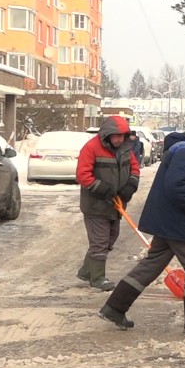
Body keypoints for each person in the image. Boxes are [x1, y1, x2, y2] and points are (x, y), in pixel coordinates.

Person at [99, 114, 185, 333]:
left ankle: (115, 306)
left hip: (166, 219)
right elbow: (177, 187)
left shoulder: (183, 148)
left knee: (152, 264)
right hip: (177, 221)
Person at [75, 116, 141, 291]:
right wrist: (102, 189)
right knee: (100, 242)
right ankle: (97, 278)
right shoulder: (91, 148)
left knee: (111, 239)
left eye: (122, 135)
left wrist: (131, 185)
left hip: (116, 204)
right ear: (107, 135)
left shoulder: (126, 149)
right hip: (96, 205)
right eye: (116, 136)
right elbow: (83, 175)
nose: (119, 139)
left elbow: (135, 168)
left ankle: (86, 270)